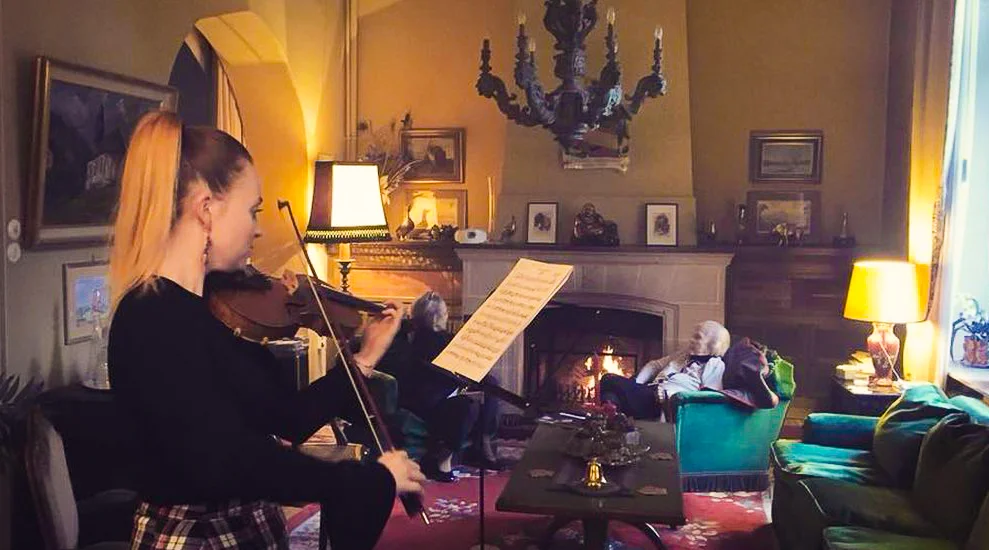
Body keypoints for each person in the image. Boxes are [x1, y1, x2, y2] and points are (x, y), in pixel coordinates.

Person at [107, 111, 425, 550]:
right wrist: (368, 479)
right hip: (197, 538)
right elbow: (231, 461)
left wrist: (365, 357)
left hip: (242, 529)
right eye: (252, 210)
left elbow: (286, 416)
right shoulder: (151, 318)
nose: (258, 229)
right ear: (206, 210)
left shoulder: (216, 311)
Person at [375, 291, 502, 482]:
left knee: (489, 385)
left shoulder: (416, 336)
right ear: (441, 317)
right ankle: (444, 459)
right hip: (423, 400)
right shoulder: (427, 340)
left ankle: (481, 445)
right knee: (471, 401)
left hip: (439, 393)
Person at [600, 320, 731, 419]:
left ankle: (612, 413)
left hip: (662, 403)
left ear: (713, 344)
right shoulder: (684, 354)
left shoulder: (715, 364)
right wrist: (636, 383)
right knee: (611, 393)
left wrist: (671, 395)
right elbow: (655, 365)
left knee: (609, 379)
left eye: (698, 337)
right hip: (649, 391)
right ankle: (613, 413)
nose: (691, 340)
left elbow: (710, 396)